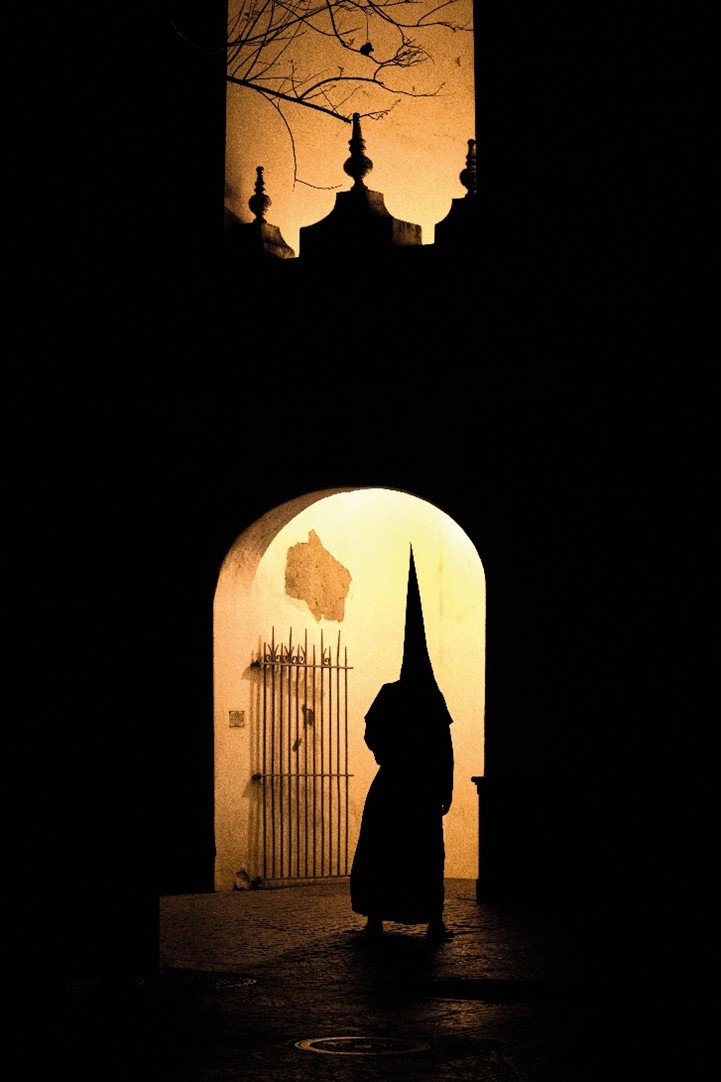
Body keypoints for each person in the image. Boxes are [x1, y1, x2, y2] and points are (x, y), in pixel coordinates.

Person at [350, 545, 455, 942]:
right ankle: (424, 920)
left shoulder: (395, 695)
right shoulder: (427, 696)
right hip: (417, 789)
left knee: (395, 851)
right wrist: (438, 785)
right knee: (413, 853)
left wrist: (388, 758)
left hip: (396, 786)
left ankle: (385, 917)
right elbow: (443, 748)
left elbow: (373, 730)